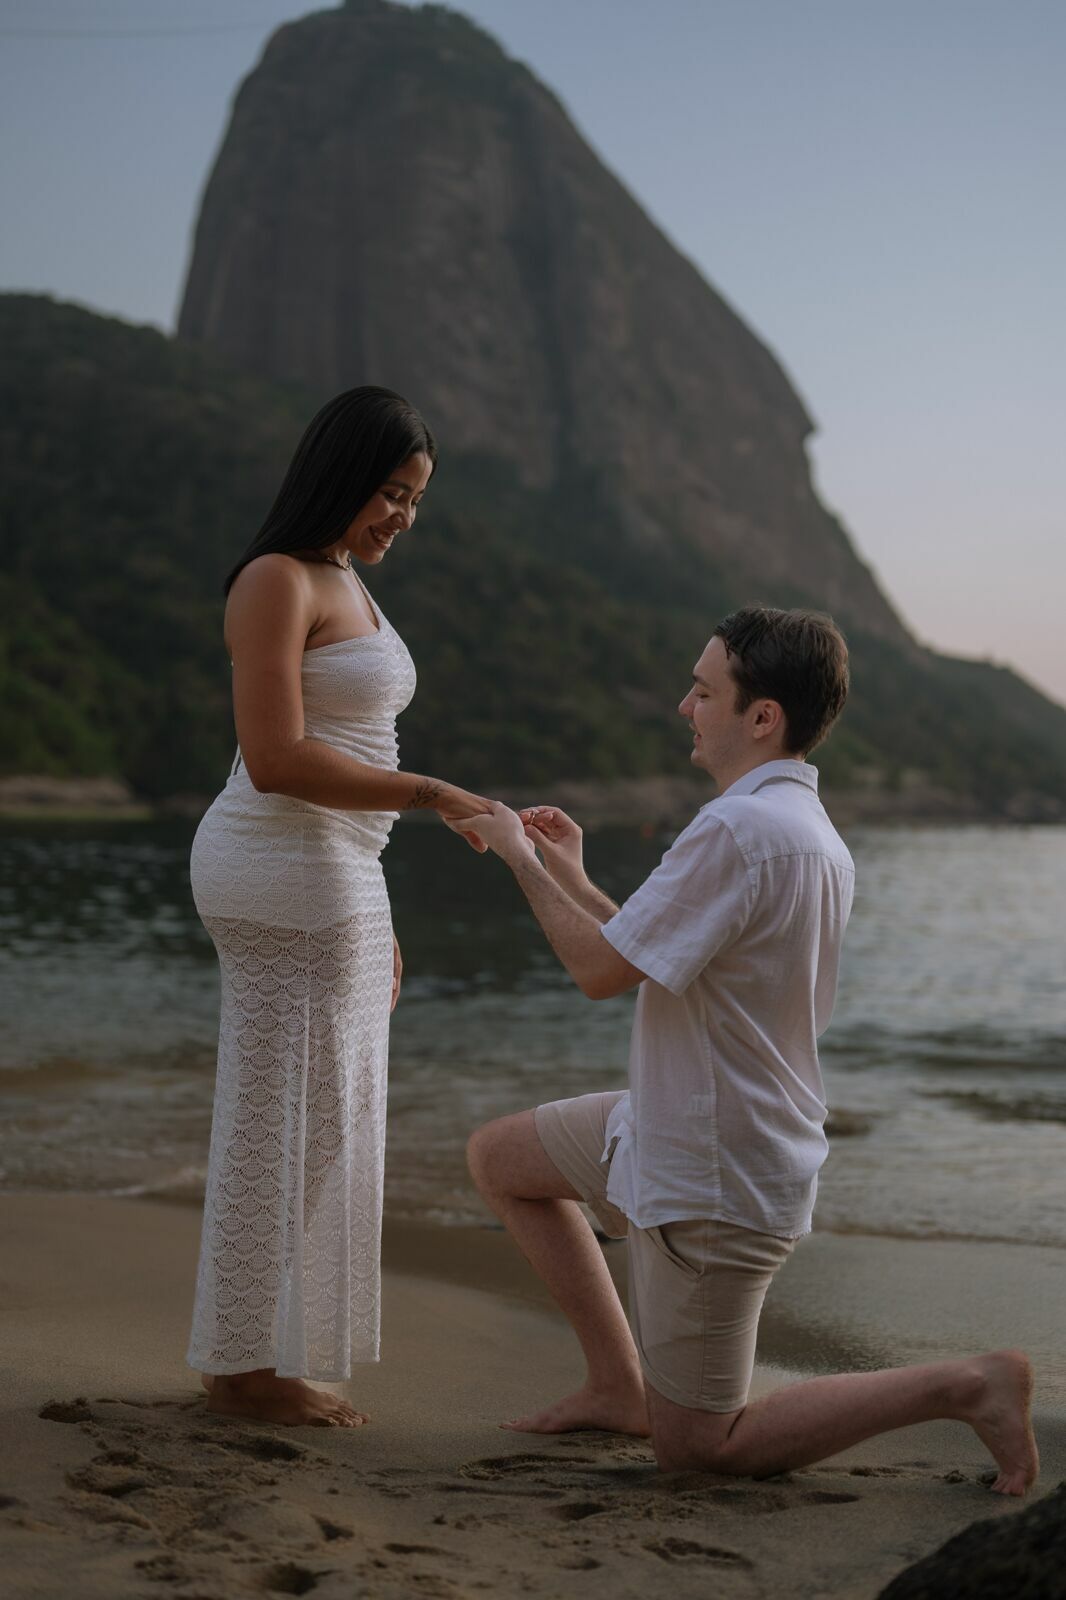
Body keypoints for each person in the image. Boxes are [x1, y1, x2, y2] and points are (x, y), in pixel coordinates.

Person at [453, 606, 1038, 1495]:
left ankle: (969, 1384)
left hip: (714, 1173)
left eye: (702, 690)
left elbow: (599, 975)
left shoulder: (737, 831)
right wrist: (572, 875)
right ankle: (618, 1386)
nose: (684, 706)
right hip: (679, 1126)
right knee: (503, 1157)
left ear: (762, 716)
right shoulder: (804, 833)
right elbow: (656, 959)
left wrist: (517, 862)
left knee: (701, 1450)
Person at [188, 386, 491, 1427]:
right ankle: (240, 1369)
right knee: (285, 1112)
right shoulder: (276, 579)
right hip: (275, 858)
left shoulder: (344, 578)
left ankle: (244, 1355)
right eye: (389, 491)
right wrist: (434, 794)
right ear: (338, 473)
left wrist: (384, 909)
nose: (401, 514)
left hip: (336, 865)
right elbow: (274, 758)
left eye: (414, 499)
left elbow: (357, 748)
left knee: (319, 1117)